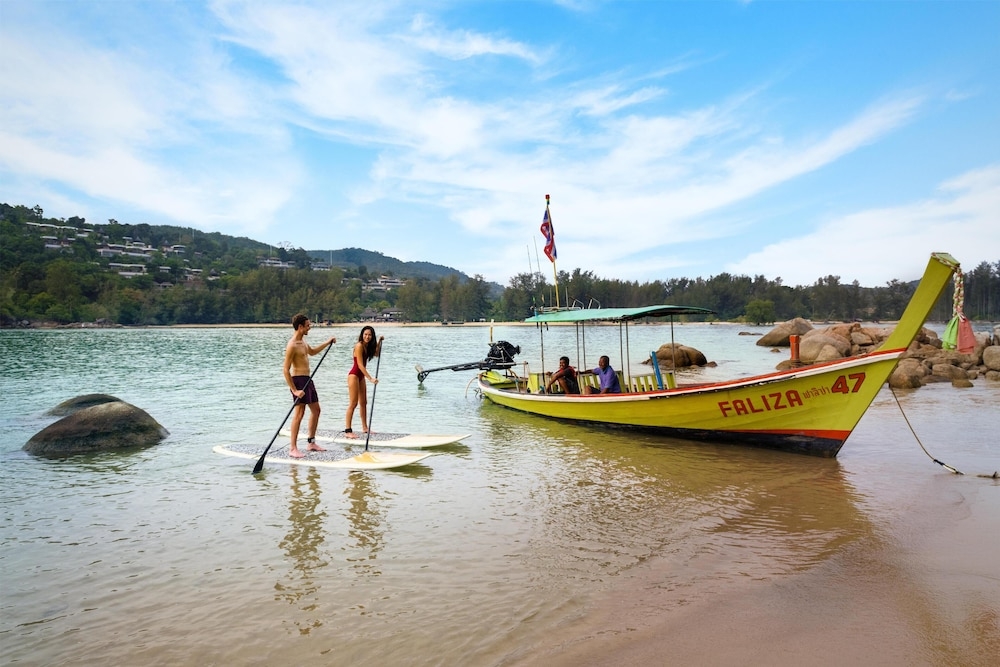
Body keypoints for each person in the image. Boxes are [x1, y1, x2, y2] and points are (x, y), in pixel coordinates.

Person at [283, 314, 336, 458]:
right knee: (299, 414)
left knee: (316, 410)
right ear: (300, 327)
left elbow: (312, 352)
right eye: (307, 325)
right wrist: (294, 390)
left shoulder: (303, 342)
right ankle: (293, 448)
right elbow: (285, 370)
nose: (309, 327)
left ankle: (311, 443)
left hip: (308, 380)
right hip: (298, 381)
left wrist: (328, 342)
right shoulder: (292, 345)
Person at [345, 325, 383, 437]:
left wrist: (379, 341)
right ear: (362, 335)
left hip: (361, 377)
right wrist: (370, 378)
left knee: (363, 403)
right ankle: (348, 431)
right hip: (354, 375)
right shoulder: (359, 346)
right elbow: (360, 365)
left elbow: (376, 354)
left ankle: (365, 428)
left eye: (369, 335)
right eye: (365, 334)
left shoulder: (367, 346)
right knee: (353, 403)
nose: (367, 337)